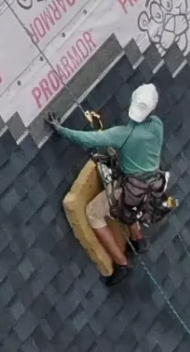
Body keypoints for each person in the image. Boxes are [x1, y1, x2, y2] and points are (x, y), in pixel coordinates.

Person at [49, 84, 167, 288]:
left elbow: (88, 139)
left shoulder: (123, 134)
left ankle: (122, 264)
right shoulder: (157, 124)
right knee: (132, 206)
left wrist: (61, 130)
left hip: (131, 189)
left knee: (93, 213)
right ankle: (138, 241)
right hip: (152, 188)